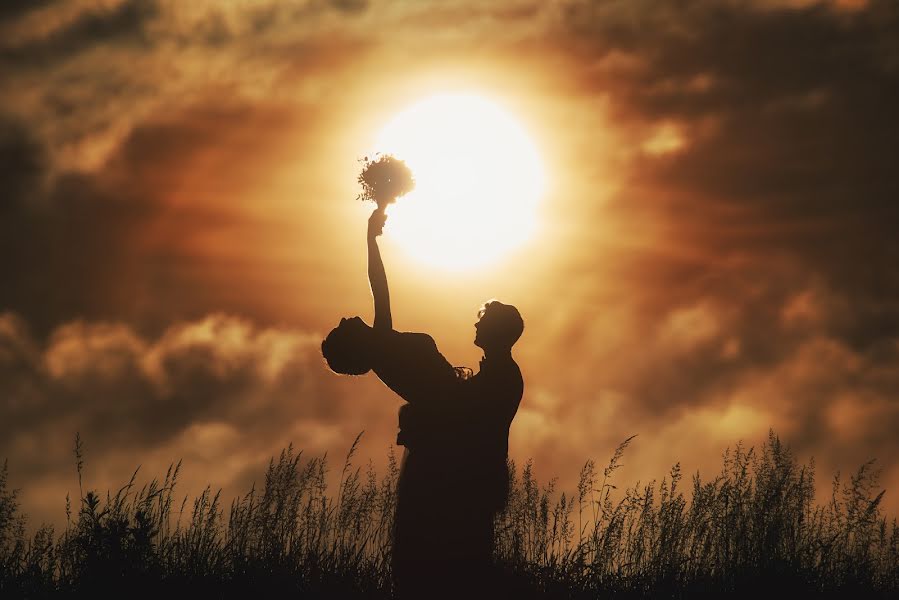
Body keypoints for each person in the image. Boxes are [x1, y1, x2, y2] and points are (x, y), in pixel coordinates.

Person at [321, 207, 524, 597]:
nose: (346, 318)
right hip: (451, 464)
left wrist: (371, 238)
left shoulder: (387, 346)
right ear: (355, 347)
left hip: (456, 454)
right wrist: (369, 239)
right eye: (342, 327)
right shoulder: (382, 349)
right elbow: (379, 286)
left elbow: (379, 285)